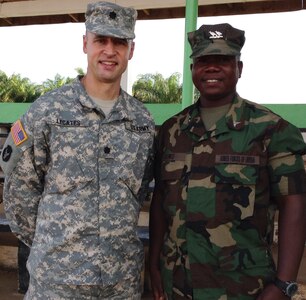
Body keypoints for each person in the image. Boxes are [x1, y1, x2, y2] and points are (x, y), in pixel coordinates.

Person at [0, 1, 155, 299]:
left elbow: (139, 191)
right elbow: (19, 191)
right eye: (101, 40)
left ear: (131, 50)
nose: (110, 51)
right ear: (86, 44)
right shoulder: (48, 111)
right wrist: (55, 246)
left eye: (120, 42)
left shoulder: (141, 121)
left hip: (119, 283)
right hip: (56, 282)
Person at [149, 23, 306, 300]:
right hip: (178, 283)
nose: (212, 68)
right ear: (193, 69)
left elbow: (294, 204)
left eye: (222, 60)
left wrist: (284, 284)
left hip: (242, 286)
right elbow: (161, 198)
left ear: (239, 68)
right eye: (203, 61)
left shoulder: (272, 131)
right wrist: (153, 261)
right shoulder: (172, 131)